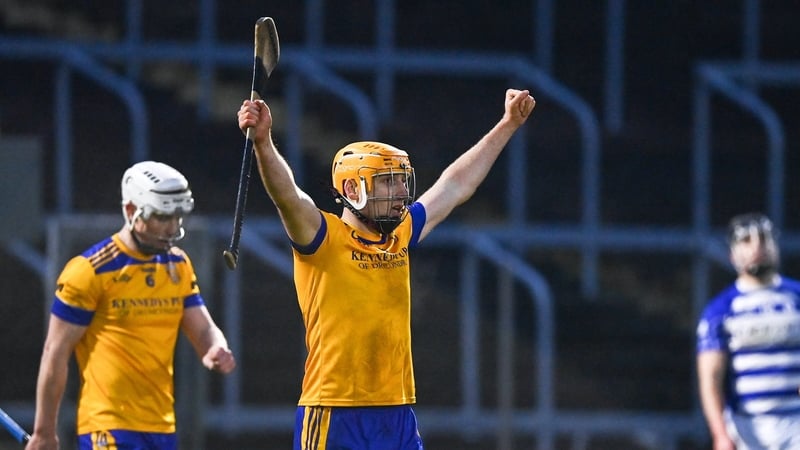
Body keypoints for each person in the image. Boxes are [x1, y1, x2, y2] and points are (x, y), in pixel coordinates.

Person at [236, 88, 535, 449]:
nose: (398, 194)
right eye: (386, 182)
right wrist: (264, 142)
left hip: (396, 412)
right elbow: (287, 195)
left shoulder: (401, 235)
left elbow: (455, 185)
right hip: (334, 411)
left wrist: (507, 124)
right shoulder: (323, 236)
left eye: (399, 181)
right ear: (351, 187)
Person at [25, 161, 236, 450]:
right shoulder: (90, 271)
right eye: (162, 217)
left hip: (162, 427)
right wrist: (44, 431)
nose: (172, 227)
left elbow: (203, 330)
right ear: (130, 211)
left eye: (177, 217)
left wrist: (215, 347)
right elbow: (55, 352)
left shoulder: (178, 266)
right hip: (107, 427)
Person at [696, 212, 800, 450]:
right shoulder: (720, 310)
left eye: (764, 238)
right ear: (732, 254)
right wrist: (720, 433)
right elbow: (710, 377)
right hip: (748, 429)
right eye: (746, 241)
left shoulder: (797, 297)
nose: (757, 247)